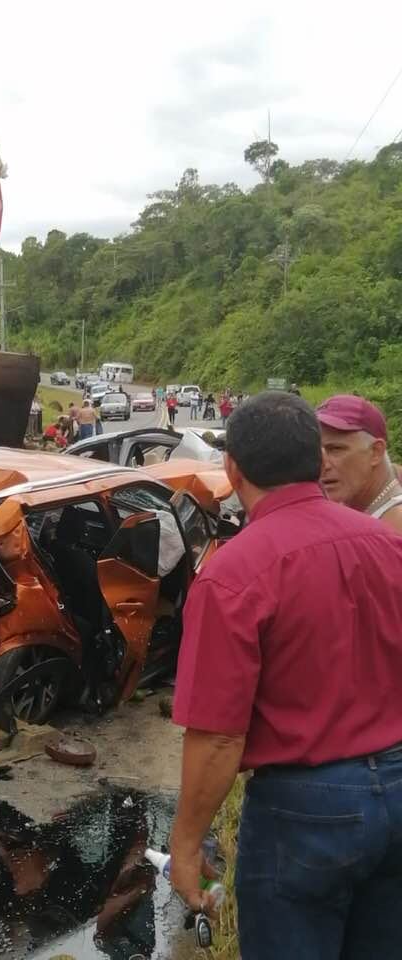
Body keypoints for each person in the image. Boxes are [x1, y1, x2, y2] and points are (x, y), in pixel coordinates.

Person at [169, 391, 402, 959]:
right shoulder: (389, 546)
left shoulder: (233, 574)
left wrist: (186, 844)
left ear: (233, 469)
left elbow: (219, 737)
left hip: (305, 813)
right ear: (317, 461)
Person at [316, 394, 402, 532]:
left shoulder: (395, 525)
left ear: (376, 452)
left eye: (335, 449)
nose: (322, 464)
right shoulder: (353, 508)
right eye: (315, 451)